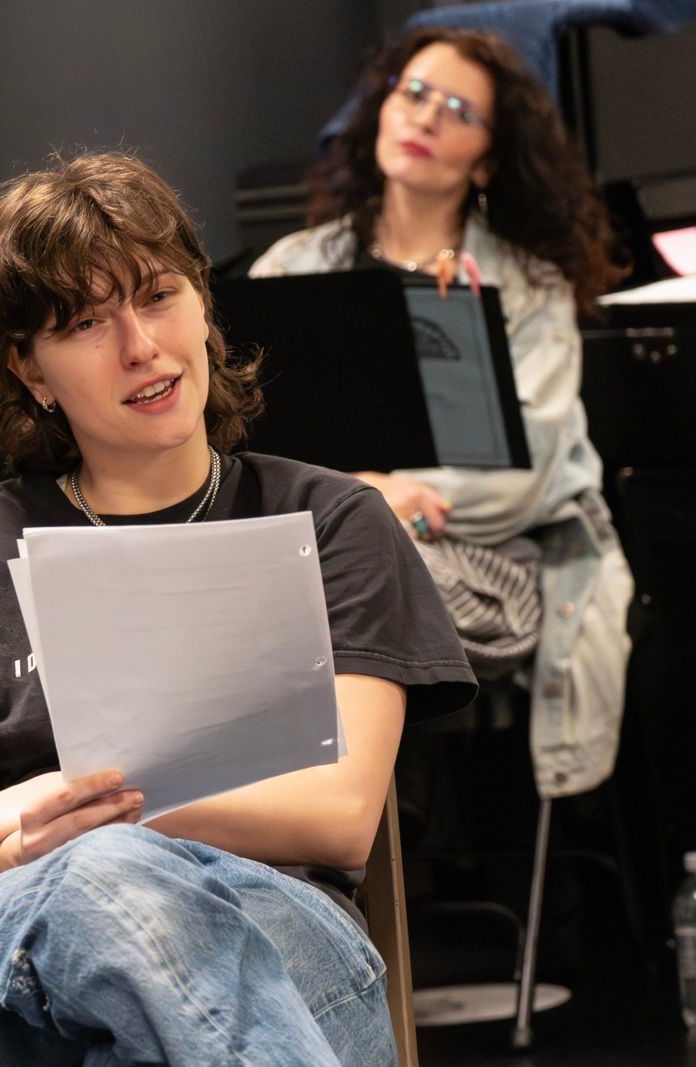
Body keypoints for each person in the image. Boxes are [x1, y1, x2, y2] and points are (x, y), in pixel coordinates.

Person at [0, 153, 478, 1065]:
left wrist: (51, 806)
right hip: (8, 946)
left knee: (102, 877)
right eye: (86, 323)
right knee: (87, 880)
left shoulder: (328, 519)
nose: (140, 346)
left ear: (203, 306)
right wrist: (29, 856)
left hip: (274, 930)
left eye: (159, 296)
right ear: (29, 370)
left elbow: (337, 812)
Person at [251, 27, 632, 799]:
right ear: (382, 109)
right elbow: (249, 446)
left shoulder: (528, 286)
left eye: (459, 111)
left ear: (487, 160)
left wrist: (372, 501)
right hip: (319, 557)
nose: (426, 117)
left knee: (325, 602)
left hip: (490, 564)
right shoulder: (291, 267)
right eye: (415, 94)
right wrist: (369, 494)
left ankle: (335, 828)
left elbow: (520, 482)